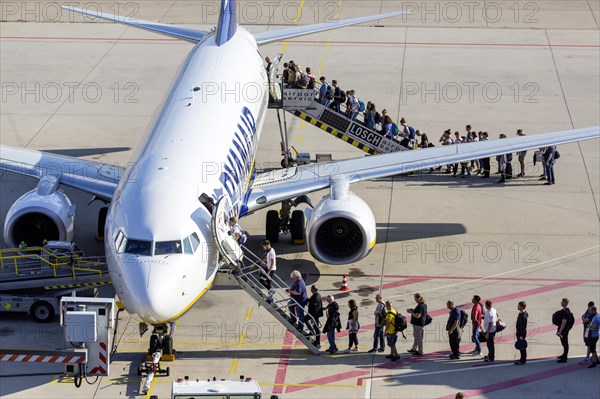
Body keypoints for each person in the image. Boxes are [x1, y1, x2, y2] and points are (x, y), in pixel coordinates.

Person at [306, 284, 323, 349]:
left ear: (312, 290)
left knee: (316, 328)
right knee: (315, 327)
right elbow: (311, 301)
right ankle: (312, 331)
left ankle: (317, 342)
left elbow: (315, 308)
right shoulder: (317, 295)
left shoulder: (316, 297)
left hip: (314, 314)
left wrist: (312, 318)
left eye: (311, 289)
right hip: (314, 314)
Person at [556, 297, 573, 363]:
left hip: (564, 331)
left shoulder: (565, 312)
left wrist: (560, 331)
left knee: (565, 343)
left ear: (565, 303)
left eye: (562, 302)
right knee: (564, 343)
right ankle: (564, 355)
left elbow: (564, 322)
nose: (561, 302)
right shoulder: (566, 310)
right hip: (565, 330)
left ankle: (564, 358)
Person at [515, 301, 528, 365]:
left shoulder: (523, 316)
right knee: (521, 346)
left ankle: (523, 360)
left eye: (519, 306)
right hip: (519, 332)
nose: (518, 306)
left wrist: (521, 335)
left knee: (522, 346)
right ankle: (522, 358)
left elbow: (523, 326)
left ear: (522, 307)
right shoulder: (521, 313)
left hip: (521, 333)